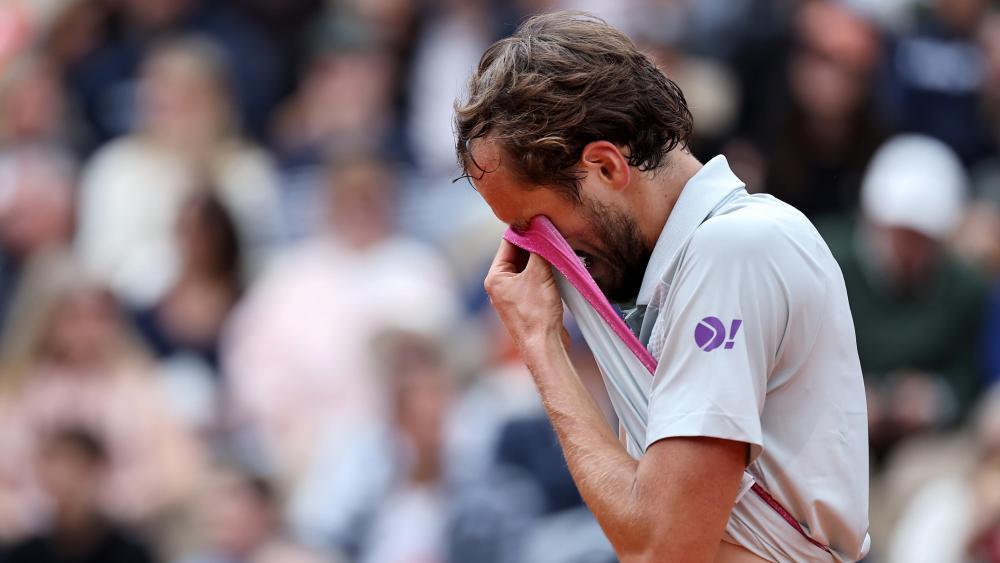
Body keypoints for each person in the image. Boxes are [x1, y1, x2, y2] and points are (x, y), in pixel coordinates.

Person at [454, 12, 869, 562]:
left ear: (605, 166)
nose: (541, 255)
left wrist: (540, 343)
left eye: (538, 226)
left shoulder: (733, 251)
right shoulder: (683, 267)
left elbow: (662, 548)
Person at [4, 427, 157, 563]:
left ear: (97, 469)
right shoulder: (23, 554)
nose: (61, 477)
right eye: (52, 464)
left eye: (71, 464)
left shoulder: (130, 553)